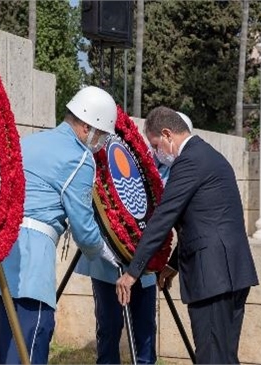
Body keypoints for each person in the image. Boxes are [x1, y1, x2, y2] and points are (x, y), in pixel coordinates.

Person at [0, 86, 120, 364]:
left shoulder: (30, 141)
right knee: (28, 355)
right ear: (87, 127)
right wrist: (110, 254)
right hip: (28, 272)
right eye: (101, 134)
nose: (100, 142)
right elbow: (84, 229)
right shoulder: (80, 157)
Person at [115, 106, 259, 364]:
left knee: (212, 358)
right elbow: (204, 221)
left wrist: (132, 272)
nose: (157, 152)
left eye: (156, 144)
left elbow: (163, 218)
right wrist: (172, 264)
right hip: (232, 271)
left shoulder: (189, 161)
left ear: (168, 134)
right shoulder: (209, 155)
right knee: (224, 356)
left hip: (213, 276)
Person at [72, 112, 192, 364]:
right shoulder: (137, 159)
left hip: (146, 266)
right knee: (109, 327)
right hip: (109, 262)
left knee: (145, 329)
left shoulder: (180, 172)